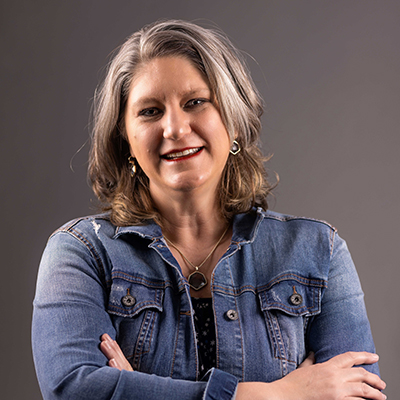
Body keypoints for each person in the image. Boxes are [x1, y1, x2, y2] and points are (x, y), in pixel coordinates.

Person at [32, 19, 386, 400]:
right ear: (125, 140)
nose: (175, 128)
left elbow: (360, 394)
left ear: (232, 120)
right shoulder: (80, 253)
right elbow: (74, 390)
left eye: (195, 102)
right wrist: (275, 395)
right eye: (150, 111)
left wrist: (135, 389)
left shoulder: (319, 251)